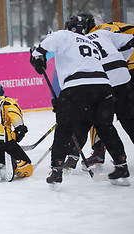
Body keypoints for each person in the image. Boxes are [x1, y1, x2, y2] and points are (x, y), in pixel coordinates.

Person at [30, 15, 130, 186]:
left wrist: (36, 56)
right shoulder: (91, 41)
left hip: (76, 87)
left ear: (69, 27)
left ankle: (57, 169)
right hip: (103, 87)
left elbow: (44, 46)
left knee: (64, 127)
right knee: (105, 126)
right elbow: (127, 41)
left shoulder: (65, 35)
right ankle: (122, 165)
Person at [62, 14, 134, 171]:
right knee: (128, 118)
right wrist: (123, 60)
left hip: (103, 80)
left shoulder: (79, 42)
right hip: (125, 75)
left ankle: (84, 153)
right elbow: (130, 40)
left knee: (92, 118)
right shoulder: (105, 31)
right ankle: (102, 154)